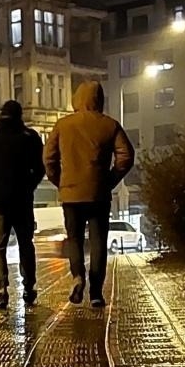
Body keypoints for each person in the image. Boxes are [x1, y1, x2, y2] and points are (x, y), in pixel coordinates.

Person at [43, 80, 135, 308]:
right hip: (98, 194)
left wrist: (61, 182)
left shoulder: (62, 125)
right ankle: (96, 293)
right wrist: (109, 180)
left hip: (71, 195)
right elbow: (126, 157)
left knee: (74, 239)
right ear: (99, 99)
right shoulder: (110, 125)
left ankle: (77, 277)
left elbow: (48, 158)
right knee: (98, 242)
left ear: (77, 99)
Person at [0, 100, 45, 310]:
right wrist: (29, 185)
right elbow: (41, 168)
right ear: (20, 116)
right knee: (25, 243)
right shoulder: (29, 139)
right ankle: (29, 287)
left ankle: (1, 289)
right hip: (22, 199)